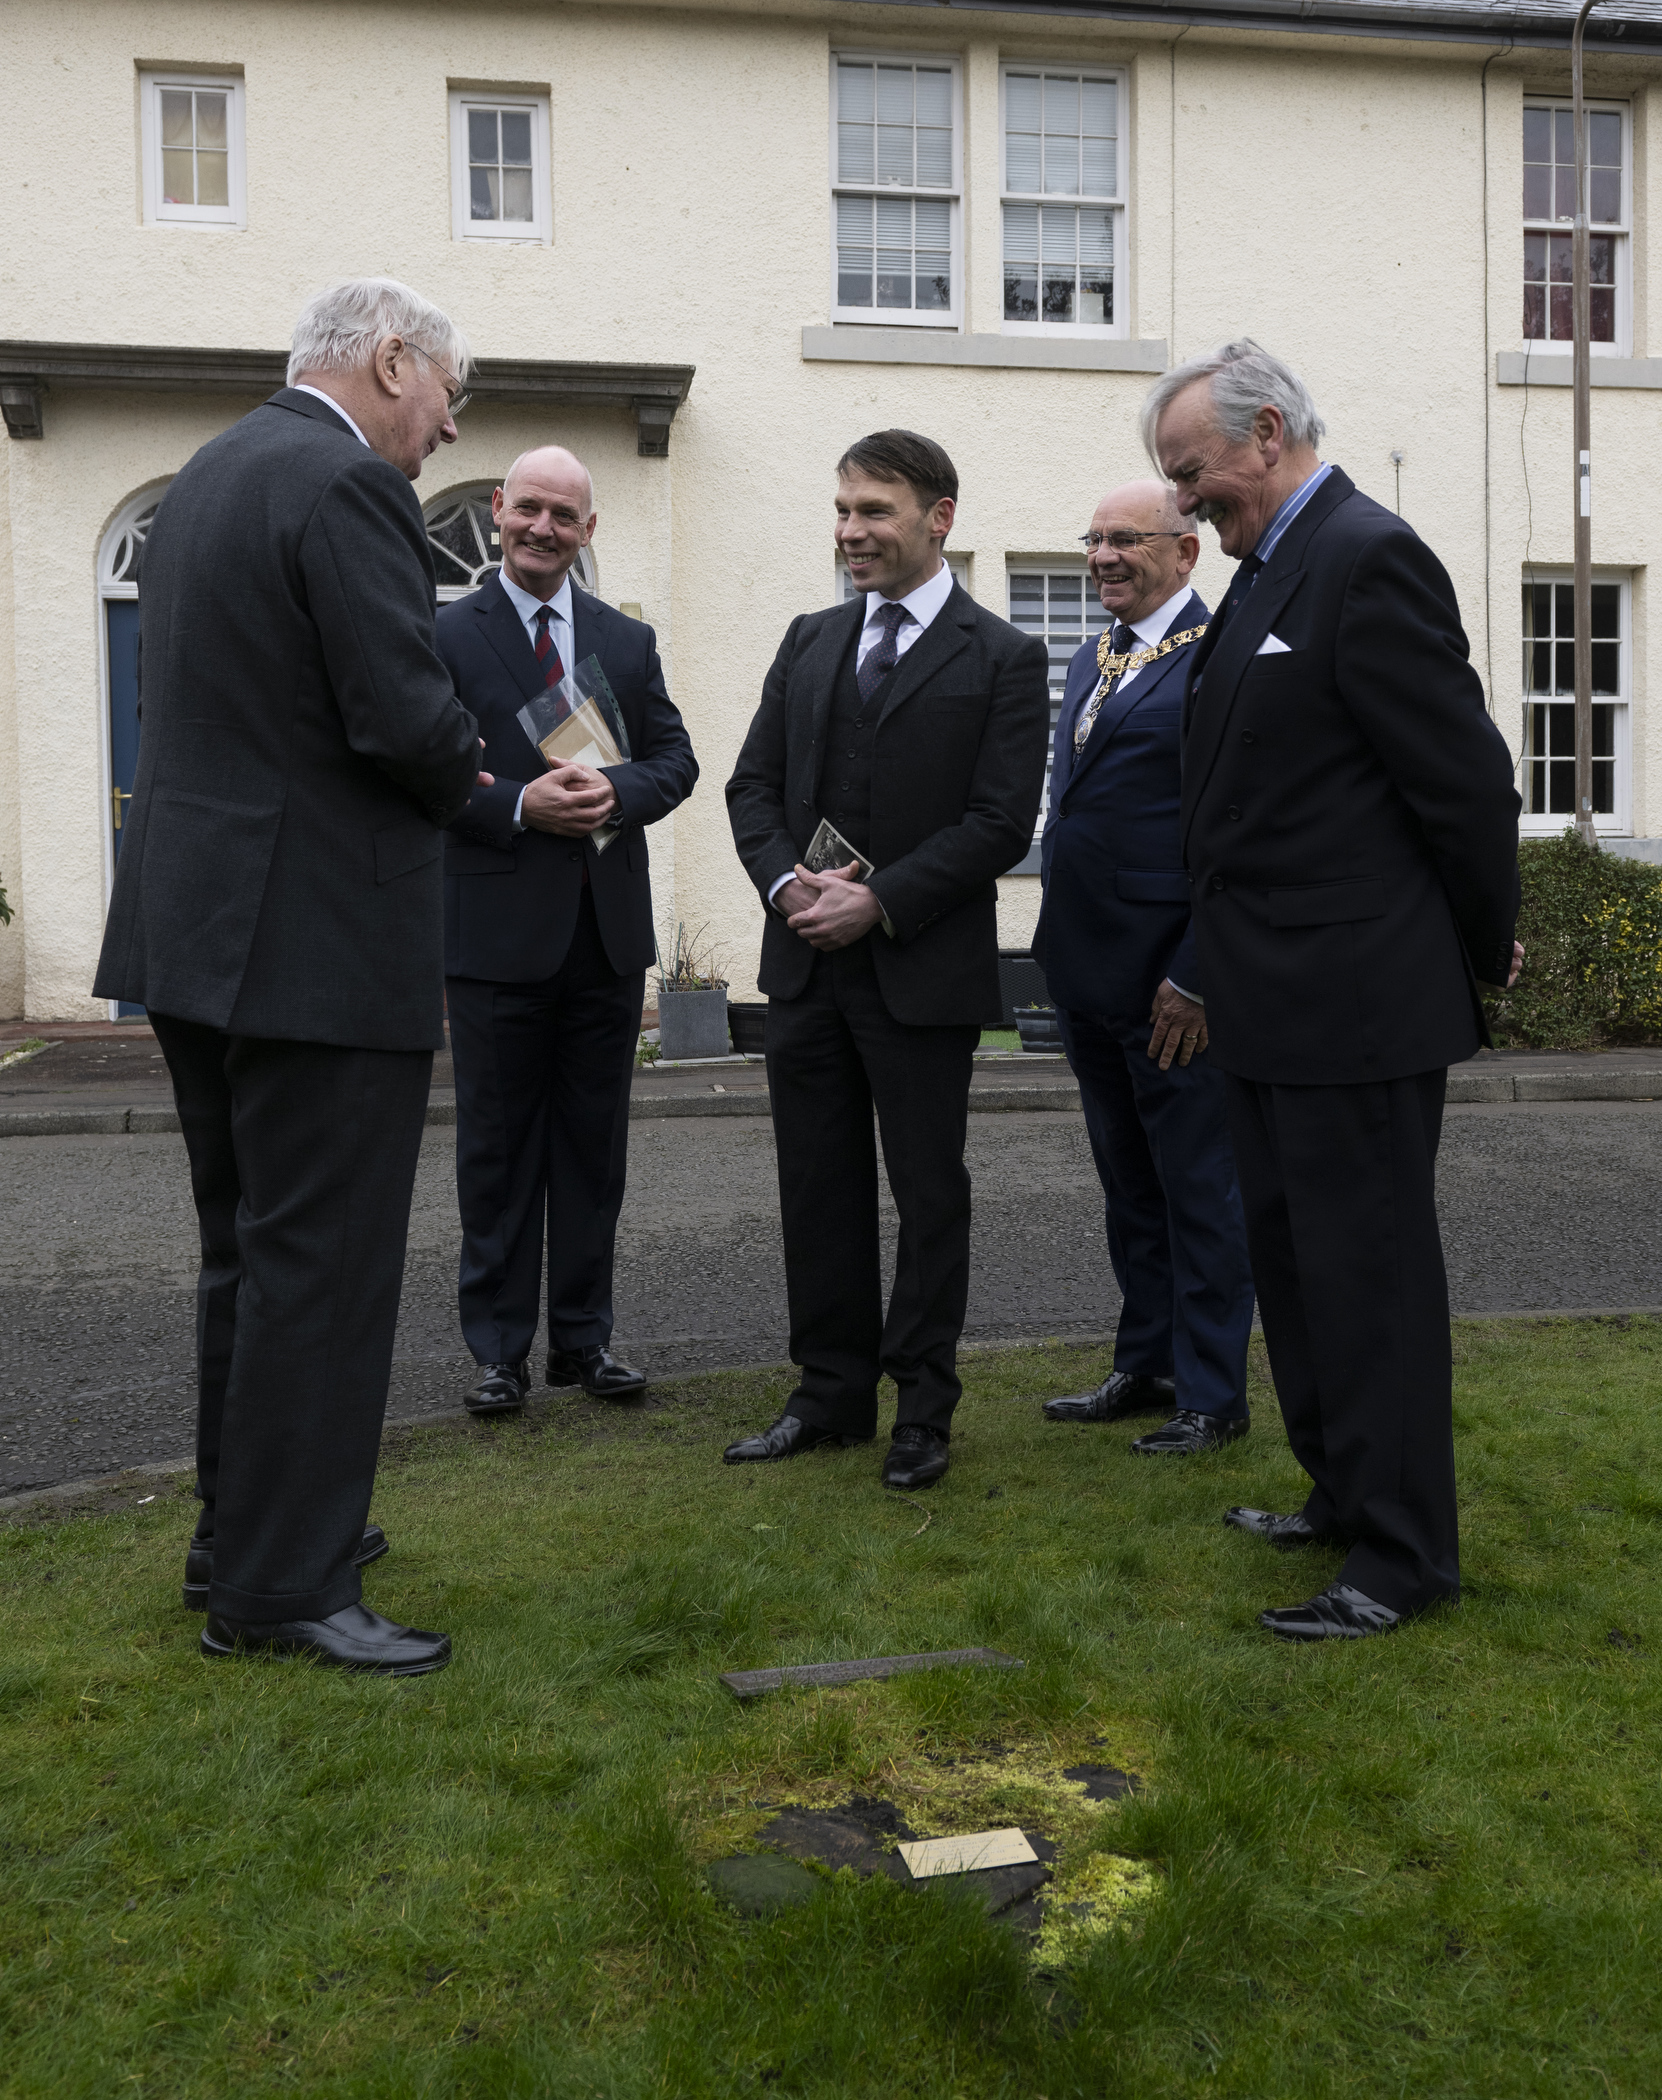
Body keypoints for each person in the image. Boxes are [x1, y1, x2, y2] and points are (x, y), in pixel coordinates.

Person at [92, 278, 485, 1675]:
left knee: (248, 1259)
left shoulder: (205, 476)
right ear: (392, 361)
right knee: (321, 1268)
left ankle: (239, 1539)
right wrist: (489, 781)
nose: (447, 431)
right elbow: (399, 714)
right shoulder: (342, 483)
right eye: (449, 397)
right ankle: (285, 1588)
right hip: (314, 939)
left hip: (196, 936)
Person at [1145, 339, 1522, 1641]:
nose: (1186, 500)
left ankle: (1404, 1555)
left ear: (1265, 433)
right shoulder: (1266, 574)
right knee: (1295, 1270)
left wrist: (1484, 946)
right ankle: (1338, 1490)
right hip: (1266, 1003)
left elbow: (1463, 785)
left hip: (1356, 1005)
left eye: (1192, 474)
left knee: (1367, 1280)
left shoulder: (1367, 556)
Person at [724, 429, 1050, 1490]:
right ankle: (828, 1397)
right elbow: (753, 791)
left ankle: (923, 1409)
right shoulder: (808, 639)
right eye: (843, 511)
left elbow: (1002, 821)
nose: (850, 531)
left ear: (938, 518)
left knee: (927, 1194)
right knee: (816, 1188)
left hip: (921, 971)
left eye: (874, 512)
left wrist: (883, 901)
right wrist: (788, 887)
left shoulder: (1002, 655)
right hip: (806, 966)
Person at [437, 446, 697, 1415]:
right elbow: (416, 772)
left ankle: (584, 1344)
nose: (543, 528)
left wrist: (614, 791)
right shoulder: (444, 635)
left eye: (565, 516)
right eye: (528, 509)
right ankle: (499, 1352)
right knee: (498, 1156)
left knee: (594, 1154)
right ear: (500, 511)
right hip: (494, 939)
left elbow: (675, 761)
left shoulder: (625, 644)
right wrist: (516, 806)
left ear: (590, 531)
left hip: (602, 939)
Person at [1033, 481, 1255, 1454]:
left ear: (1186, 552)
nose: (1102, 557)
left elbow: (1244, 835)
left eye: (1126, 539)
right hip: (1088, 970)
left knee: (1199, 1189)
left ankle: (1212, 1395)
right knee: (1130, 1184)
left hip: (1175, 987)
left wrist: (1201, 974)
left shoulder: (1219, 661)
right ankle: (1149, 1360)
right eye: (1093, 539)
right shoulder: (1096, 656)